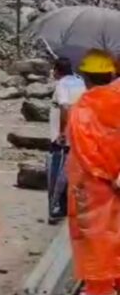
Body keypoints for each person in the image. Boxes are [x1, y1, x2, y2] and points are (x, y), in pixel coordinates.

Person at [67, 51, 120, 295]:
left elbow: (86, 155)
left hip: (95, 192)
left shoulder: (83, 109)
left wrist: (108, 176)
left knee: (97, 252)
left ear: (85, 79)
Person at [48, 58, 85, 223]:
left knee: (57, 173)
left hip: (63, 137)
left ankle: (57, 207)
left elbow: (64, 107)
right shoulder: (80, 82)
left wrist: (62, 132)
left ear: (57, 70)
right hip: (79, 134)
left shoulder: (62, 84)